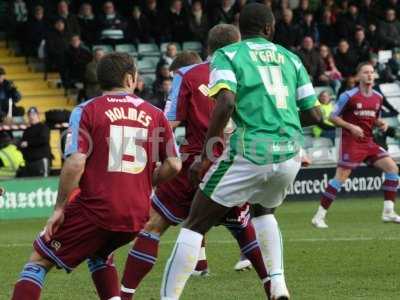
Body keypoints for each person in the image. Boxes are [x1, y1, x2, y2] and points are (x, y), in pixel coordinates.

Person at [160, 4, 322, 300]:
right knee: (264, 211)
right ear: (270, 29)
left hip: (251, 151)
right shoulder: (291, 58)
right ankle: (279, 288)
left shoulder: (228, 54)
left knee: (195, 222)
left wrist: (206, 156)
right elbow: (314, 115)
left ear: (240, 27)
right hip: (289, 154)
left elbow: (225, 104)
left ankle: (168, 298)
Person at [11, 52, 181, 300]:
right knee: (100, 254)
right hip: (137, 214)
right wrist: (146, 181)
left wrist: (59, 208)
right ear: (129, 78)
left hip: (98, 209)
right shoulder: (155, 114)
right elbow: (175, 165)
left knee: (38, 261)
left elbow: (76, 161)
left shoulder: (86, 110)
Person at [120, 23, 270, 300]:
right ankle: (274, 287)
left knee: (153, 226)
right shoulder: (253, 74)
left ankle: (125, 295)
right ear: (236, 45)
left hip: (194, 162)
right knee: (243, 228)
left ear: (208, 48)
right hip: (234, 163)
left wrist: (149, 156)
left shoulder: (187, 74)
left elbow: (169, 122)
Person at [311, 62, 400, 229]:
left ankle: (388, 211)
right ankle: (319, 216)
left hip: (368, 142)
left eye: (372, 72)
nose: (369, 75)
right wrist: (351, 127)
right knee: (340, 179)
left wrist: (380, 123)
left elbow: (372, 118)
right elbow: (332, 117)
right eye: (365, 72)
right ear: (358, 76)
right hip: (351, 143)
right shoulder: (349, 96)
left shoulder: (378, 98)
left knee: (392, 168)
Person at [19, 107, 52, 177]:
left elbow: (44, 139)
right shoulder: (27, 130)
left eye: (33, 114)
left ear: (38, 115)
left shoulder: (43, 127)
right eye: (29, 115)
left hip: (41, 160)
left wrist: (28, 143)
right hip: (29, 162)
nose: (31, 117)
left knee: (44, 183)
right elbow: (22, 143)